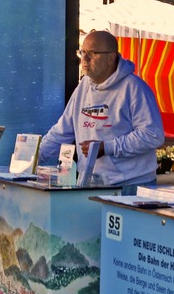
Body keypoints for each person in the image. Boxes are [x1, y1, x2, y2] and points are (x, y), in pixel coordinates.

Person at [38, 30, 164, 187]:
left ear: (111, 57)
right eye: (82, 52)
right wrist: (34, 157)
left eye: (92, 53)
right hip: (92, 184)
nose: (85, 59)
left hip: (132, 186)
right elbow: (62, 131)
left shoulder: (134, 88)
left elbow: (152, 135)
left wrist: (107, 147)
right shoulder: (84, 86)